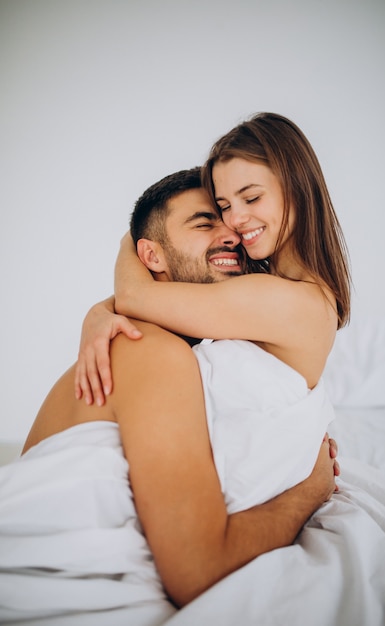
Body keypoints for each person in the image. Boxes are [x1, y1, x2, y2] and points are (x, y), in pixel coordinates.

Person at [0, 168, 339, 626]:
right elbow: (198, 572)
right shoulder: (150, 350)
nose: (233, 233)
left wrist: (104, 306)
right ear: (150, 255)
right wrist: (311, 488)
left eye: (229, 217)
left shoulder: (193, 346)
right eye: (205, 223)